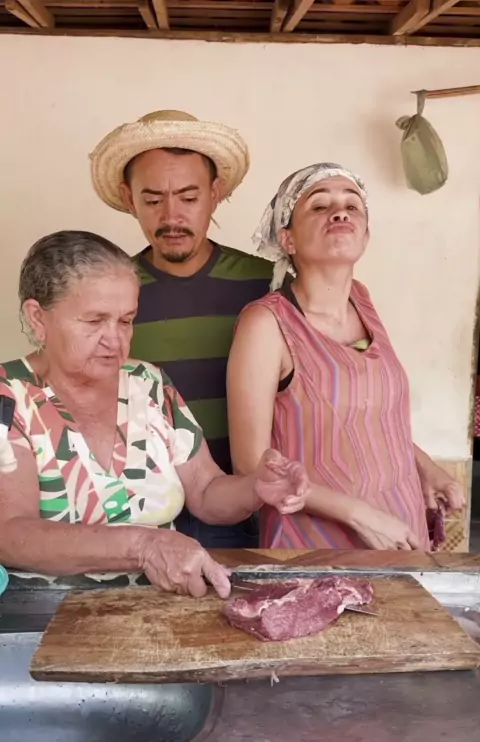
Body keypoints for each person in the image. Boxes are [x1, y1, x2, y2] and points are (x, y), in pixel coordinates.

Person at [0, 230, 309, 597]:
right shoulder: (10, 397)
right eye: (94, 321)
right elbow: (10, 533)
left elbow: (205, 490)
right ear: (38, 318)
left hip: (157, 612)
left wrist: (255, 487)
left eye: (125, 320)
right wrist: (143, 546)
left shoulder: (148, 384)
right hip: (47, 616)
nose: (114, 340)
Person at [226, 162, 465, 550]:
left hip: (400, 534)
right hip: (313, 549)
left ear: (365, 235)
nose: (340, 213)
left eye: (352, 206)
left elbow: (369, 421)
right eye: (320, 206)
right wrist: (361, 516)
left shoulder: (362, 300)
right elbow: (252, 466)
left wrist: (426, 467)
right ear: (287, 239)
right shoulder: (266, 324)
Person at [89, 110, 273, 549]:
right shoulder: (108, 295)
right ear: (128, 198)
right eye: (153, 200)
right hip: (140, 515)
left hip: (246, 508)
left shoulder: (267, 285)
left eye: (188, 197)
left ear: (215, 193)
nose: (171, 216)